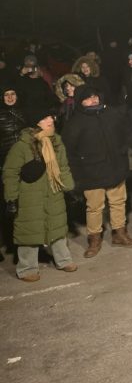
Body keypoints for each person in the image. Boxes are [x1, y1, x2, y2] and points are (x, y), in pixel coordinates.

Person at [62, 88, 132, 257]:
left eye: (95, 96)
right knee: (94, 207)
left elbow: (127, 133)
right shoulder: (75, 123)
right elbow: (69, 152)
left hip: (115, 166)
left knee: (118, 201)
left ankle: (119, 233)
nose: (93, 100)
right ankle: (94, 239)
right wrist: (74, 175)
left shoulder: (112, 114)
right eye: (88, 98)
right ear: (80, 102)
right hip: (91, 172)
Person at [2, 110, 77, 282]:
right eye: (45, 117)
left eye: (51, 116)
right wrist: (11, 198)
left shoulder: (56, 141)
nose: (50, 120)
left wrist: (70, 188)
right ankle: (27, 268)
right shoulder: (21, 146)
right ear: (35, 123)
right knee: (29, 230)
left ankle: (64, 260)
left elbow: (63, 167)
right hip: (30, 196)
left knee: (57, 226)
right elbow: (10, 173)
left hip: (53, 191)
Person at [0, 84, 27, 259]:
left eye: (13, 93)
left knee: (24, 206)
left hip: (24, 164)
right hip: (6, 165)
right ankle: (11, 243)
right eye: (6, 95)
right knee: (9, 205)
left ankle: (21, 247)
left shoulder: (25, 112)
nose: (10, 97)